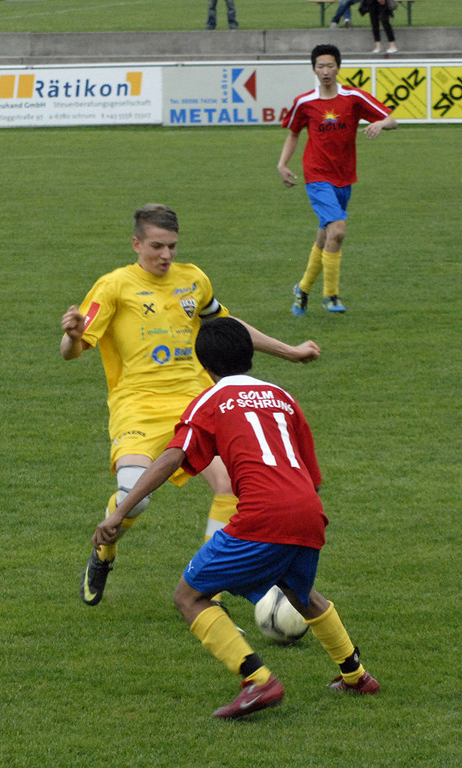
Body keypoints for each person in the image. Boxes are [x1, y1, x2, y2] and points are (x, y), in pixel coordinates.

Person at [93, 317, 380, 719]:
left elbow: (173, 456)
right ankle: (356, 675)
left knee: (189, 597)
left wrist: (120, 512)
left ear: (203, 364)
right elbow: (310, 472)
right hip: (308, 510)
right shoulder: (282, 397)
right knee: (300, 593)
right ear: (249, 355)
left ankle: (257, 680)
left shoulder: (210, 401)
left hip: (263, 515)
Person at [61, 204, 320, 607]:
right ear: (136, 244)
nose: (165, 255)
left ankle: (208, 587)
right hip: (138, 408)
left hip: (198, 405)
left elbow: (228, 329)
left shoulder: (194, 280)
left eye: (172, 246)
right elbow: (71, 351)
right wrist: (74, 336)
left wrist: (290, 351)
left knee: (230, 486)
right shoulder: (113, 286)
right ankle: (103, 552)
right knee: (135, 497)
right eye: (156, 246)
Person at [277, 44, 398, 316]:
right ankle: (330, 295)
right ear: (314, 69)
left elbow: (392, 120)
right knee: (339, 231)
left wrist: (380, 123)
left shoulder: (353, 98)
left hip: (344, 177)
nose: (325, 71)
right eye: (320, 66)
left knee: (325, 237)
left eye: (330, 65)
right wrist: (282, 164)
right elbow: (294, 133)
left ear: (338, 68)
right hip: (317, 175)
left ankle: (302, 290)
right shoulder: (305, 102)